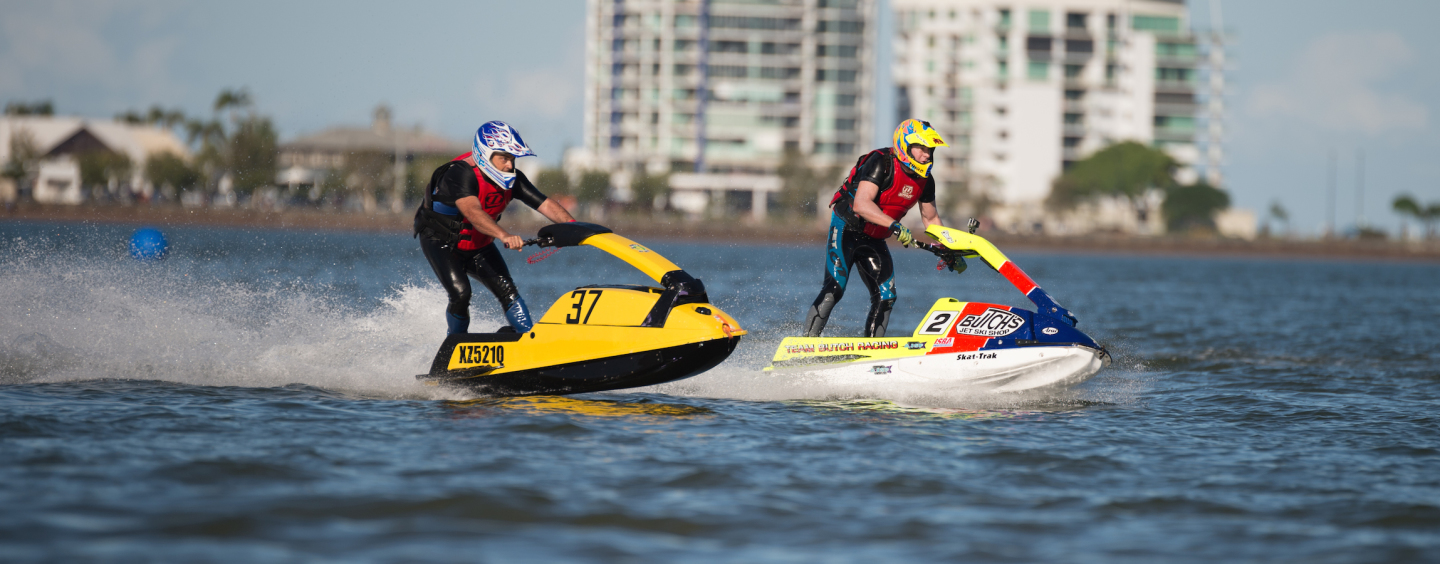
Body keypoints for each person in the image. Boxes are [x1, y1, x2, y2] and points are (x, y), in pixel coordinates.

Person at [803, 119, 965, 338]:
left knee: (886, 297)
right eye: (923, 148)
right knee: (835, 289)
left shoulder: (926, 180)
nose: (927, 155)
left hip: (874, 239)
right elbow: (861, 204)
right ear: (905, 145)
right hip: (847, 230)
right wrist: (894, 225)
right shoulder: (881, 162)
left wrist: (948, 248)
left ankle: (870, 353)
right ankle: (804, 345)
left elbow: (931, 218)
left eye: (931, 150)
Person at [413, 121, 576, 335]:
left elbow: (544, 204)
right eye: (504, 158)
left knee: (509, 292)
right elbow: (472, 212)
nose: (510, 165)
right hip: (442, 242)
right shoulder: (459, 173)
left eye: (512, 159)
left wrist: (574, 227)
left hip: (479, 243)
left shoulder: (513, 178)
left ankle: (529, 340)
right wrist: (504, 235)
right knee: (461, 294)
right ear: (485, 154)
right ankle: (455, 347)